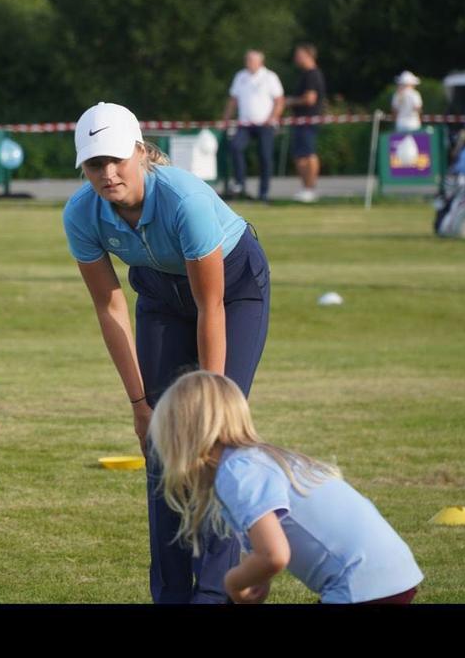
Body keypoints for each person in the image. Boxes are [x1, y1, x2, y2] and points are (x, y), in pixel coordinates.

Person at [63, 102, 271, 604]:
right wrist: (139, 405)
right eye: (94, 164)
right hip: (158, 296)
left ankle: (217, 592)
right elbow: (110, 307)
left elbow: (211, 305)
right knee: (161, 440)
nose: (108, 173)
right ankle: (172, 594)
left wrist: (212, 403)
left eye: (116, 159)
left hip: (233, 290)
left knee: (214, 441)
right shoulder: (80, 214)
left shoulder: (184, 200)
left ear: (139, 152)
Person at [148, 370, 424, 604]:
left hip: (360, 583)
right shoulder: (259, 459)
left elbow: (275, 555)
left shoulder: (237, 471)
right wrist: (258, 576)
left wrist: (233, 581)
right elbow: (267, 548)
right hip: (394, 571)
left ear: (183, 436)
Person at [222, 50, 285, 202]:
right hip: (245, 123)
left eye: (251, 60)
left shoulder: (270, 77)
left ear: (260, 62)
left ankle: (264, 193)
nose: (248, 62)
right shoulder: (240, 76)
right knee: (235, 147)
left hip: (265, 124)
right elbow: (233, 99)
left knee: (265, 156)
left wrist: (272, 118)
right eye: (247, 60)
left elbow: (279, 101)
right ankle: (240, 184)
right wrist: (225, 118)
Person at [285, 43, 326, 203]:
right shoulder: (306, 74)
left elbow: (310, 99)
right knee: (300, 155)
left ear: (308, 55)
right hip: (302, 121)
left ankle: (310, 189)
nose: (296, 58)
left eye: (298, 55)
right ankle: (306, 189)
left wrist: (290, 101)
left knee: (308, 154)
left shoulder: (312, 75)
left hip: (308, 120)